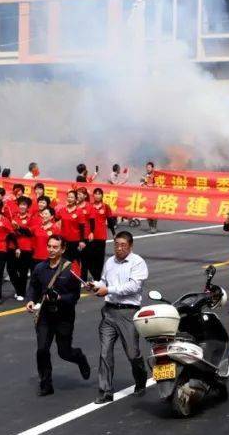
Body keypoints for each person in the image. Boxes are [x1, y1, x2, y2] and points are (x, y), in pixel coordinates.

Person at [26, 237, 92, 396]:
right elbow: (33, 287)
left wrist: (60, 298)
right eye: (49, 246)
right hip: (45, 316)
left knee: (64, 352)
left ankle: (79, 357)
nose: (51, 249)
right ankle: (46, 384)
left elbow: (75, 296)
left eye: (55, 247)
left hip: (64, 316)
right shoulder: (40, 268)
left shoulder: (71, 269)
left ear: (62, 249)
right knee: (42, 350)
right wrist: (30, 300)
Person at [90, 231, 149, 403]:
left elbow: (133, 287)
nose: (119, 248)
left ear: (130, 246)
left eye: (123, 245)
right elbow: (104, 282)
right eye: (116, 244)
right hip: (109, 312)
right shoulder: (110, 262)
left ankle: (140, 378)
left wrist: (108, 290)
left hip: (128, 313)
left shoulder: (138, 262)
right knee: (105, 352)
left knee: (132, 353)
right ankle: (105, 391)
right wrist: (95, 286)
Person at [8, 197, 35, 302]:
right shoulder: (13, 216)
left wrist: (18, 227)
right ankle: (18, 289)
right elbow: (10, 232)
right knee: (11, 270)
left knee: (23, 272)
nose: (22, 206)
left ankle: (21, 292)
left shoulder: (31, 218)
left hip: (26, 248)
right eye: (20, 204)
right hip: (13, 247)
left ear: (27, 207)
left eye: (24, 205)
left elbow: (30, 232)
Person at [142, 161, 158, 233]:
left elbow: (157, 184)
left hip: (153, 196)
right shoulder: (145, 176)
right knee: (147, 213)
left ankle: (154, 227)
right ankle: (150, 226)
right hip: (146, 196)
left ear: (152, 168)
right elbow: (142, 183)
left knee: (153, 213)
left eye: (149, 167)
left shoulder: (156, 175)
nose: (148, 169)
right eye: (147, 167)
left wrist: (150, 186)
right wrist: (144, 185)